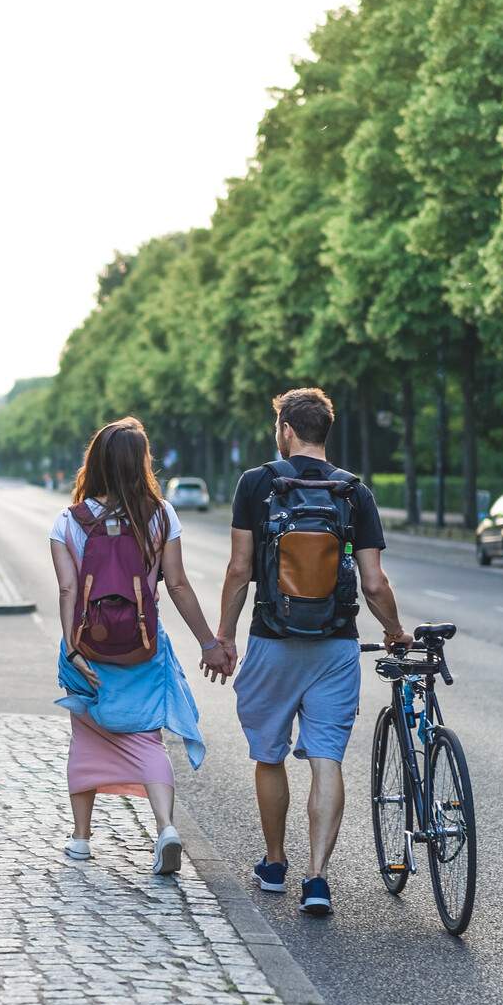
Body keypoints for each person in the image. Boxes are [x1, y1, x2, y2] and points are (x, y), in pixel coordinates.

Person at [213, 387, 409, 916]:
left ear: (286, 430)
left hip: (272, 641)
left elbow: (238, 570)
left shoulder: (256, 484)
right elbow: (374, 582)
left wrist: (224, 638)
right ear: (326, 430)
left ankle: (275, 863)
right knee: (326, 759)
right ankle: (317, 879)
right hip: (335, 646)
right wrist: (394, 630)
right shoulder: (355, 492)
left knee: (269, 754)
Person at [50, 417, 234, 874]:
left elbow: (69, 592)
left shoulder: (68, 521)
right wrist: (209, 642)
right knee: (148, 739)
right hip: (144, 645)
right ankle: (166, 827)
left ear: (95, 462)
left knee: (87, 737)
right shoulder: (160, 514)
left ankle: (80, 838)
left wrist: (74, 649)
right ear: (141, 463)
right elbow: (177, 584)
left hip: (86, 649)